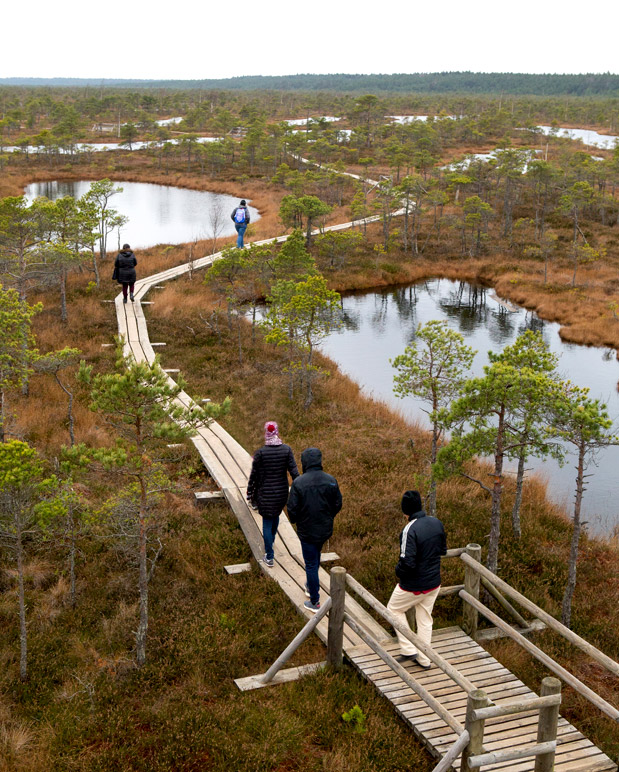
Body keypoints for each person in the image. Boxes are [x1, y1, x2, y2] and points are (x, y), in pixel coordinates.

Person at [386, 490, 447, 669]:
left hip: (414, 585)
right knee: (425, 619)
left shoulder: (409, 529)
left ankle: (407, 648)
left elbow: (407, 562)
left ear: (405, 511)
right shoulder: (437, 523)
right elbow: (442, 551)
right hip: (434, 582)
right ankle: (424, 658)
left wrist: (398, 572)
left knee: (393, 609)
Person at [287, 447, 342, 613]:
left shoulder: (298, 483)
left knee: (310, 564)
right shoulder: (331, 480)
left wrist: (296, 521)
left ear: (304, 462)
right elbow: (338, 503)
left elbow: (292, 508)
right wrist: (329, 517)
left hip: (307, 530)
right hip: (324, 529)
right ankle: (311, 584)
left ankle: (315, 601)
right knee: (315, 557)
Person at [246, 421, 299, 568]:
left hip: (265, 494)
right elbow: (294, 471)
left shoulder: (261, 453)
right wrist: (302, 487)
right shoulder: (287, 450)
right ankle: (271, 541)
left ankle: (269, 556)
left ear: (266, 433)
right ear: (277, 432)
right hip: (282, 493)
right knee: (275, 516)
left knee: (267, 522)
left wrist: (250, 494)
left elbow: (254, 477)